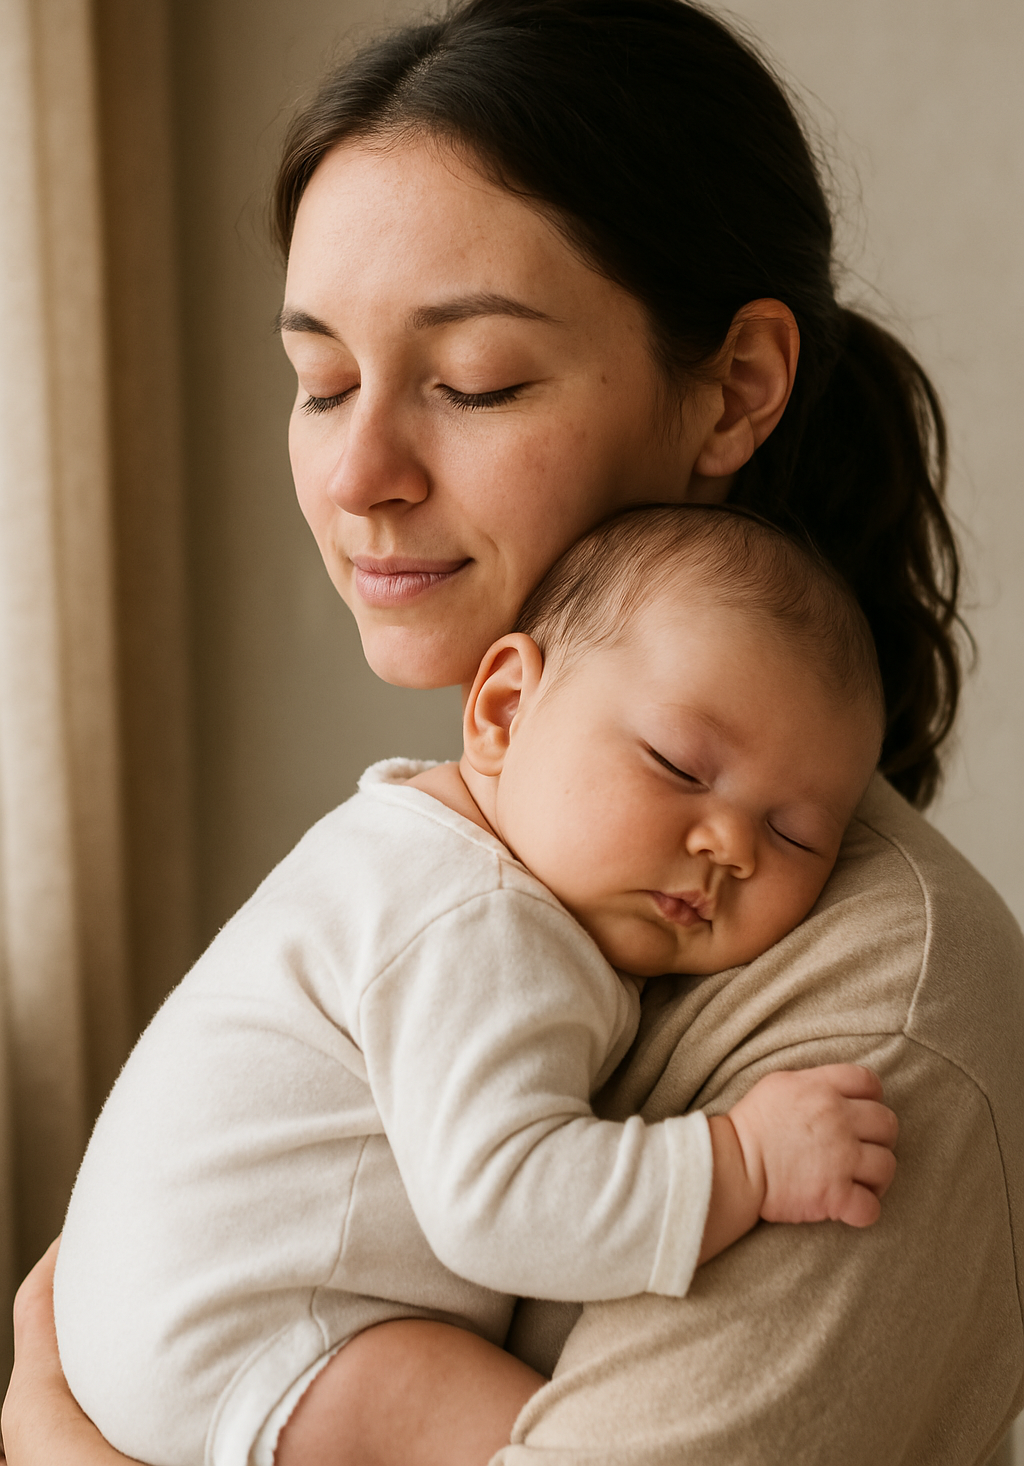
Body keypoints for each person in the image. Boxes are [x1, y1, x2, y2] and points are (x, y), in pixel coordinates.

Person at [3, 0, 1022, 1466]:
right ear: (501, 710)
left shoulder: (878, 1037)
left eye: (473, 382)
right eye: (321, 379)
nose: (358, 476)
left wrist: (52, 1439)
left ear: (736, 389)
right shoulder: (452, 864)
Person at [52, 506, 899, 1466]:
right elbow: (498, 1201)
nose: (731, 846)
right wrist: (742, 1162)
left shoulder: (434, 857)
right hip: (253, 1339)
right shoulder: (481, 919)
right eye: (677, 764)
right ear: (502, 711)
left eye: (794, 835)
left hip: (161, 1322)